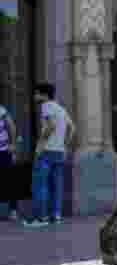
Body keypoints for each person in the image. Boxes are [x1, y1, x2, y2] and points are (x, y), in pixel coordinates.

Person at [23, 83, 74, 228]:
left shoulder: (46, 106)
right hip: (59, 152)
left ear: (44, 95)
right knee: (57, 185)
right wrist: (65, 146)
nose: (35, 97)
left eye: (36, 94)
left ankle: (40, 218)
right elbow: (72, 128)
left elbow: (50, 125)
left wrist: (40, 145)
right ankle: (55, 215)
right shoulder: (61, 109)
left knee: (40, 184)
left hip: (46, 151)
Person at [0, 99, 18, 220]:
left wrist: (12, 145)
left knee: (9, 180)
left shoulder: (1, 110)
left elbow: (11, 126)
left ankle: (13, 210)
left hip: (3, 150)